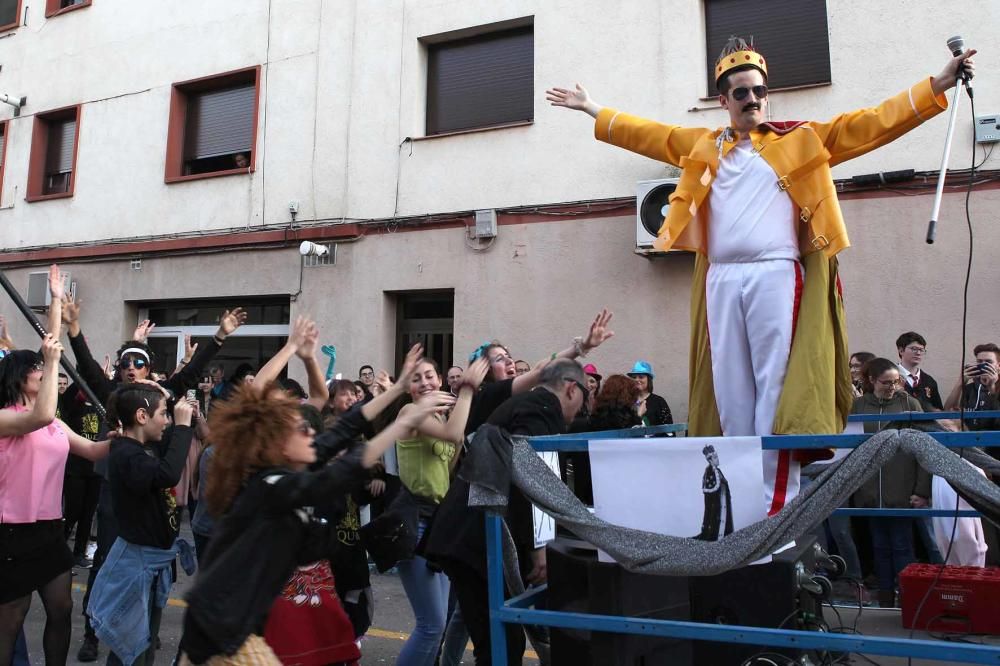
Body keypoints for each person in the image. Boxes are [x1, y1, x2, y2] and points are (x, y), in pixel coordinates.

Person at [547, 38, 975, 515]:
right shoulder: (705, 145)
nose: (753, 100)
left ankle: (776, 504)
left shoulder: (801, 138)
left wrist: (937, 83)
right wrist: (591, 107)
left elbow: (870, 124)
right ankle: (738, 499)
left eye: (759, 91)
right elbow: (649, 134)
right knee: (730, 390)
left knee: (775, 384)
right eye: (741, 93)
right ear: (724, 100)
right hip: (721, 277)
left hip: (777, 273)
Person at [177, 357, 453, 664]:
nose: (312, 433)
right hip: (219, 638)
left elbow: (342, 430)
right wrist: (402, 424)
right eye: (302, 429)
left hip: (239, 632)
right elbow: (338, 474)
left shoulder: (285, 471)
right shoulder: (270, 486)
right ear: (277, 445)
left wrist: (397, 388)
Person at [424, 359, 589, 665]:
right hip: (474, 536)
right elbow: (533, 471)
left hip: (473, 535)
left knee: (499, 639)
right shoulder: (542, 407)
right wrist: (540, 547)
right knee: (501, 644)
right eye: (584, 396)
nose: (581, 408)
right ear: (571, 389)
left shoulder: (530, 404)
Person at [0, 266, 111, 666]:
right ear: (17, 377)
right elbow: (42, 412)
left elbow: (93, 453)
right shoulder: (6, 418)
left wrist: (56, 302)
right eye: (37, 368)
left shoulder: (55, 421)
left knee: (61, 609)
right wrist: (51, 353)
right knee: (11, 619)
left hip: (49, 529)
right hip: (10, 532)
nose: (45, 371)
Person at [86, 384, 196, 666]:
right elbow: (169, 473)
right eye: (163, 414)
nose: (168, 421)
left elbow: (169, 451)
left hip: (152, 563)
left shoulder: (140, 448)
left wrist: (169, 399)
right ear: (142, 416)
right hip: (136, 566)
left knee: (144, 641)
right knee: (129, 649)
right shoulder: (127, 454)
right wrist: (183, 427)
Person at [392, 357, 488, 665]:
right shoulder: (410, 411)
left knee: (438, 624)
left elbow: (448, 463)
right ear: (409, 389)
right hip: (416, 523)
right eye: (417, 378)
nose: (425, 382)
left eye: (430, 376)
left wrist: (454, 421)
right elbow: (451, 435)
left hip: (437, 524)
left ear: (439, 380)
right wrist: (468, 389)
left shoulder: (439, 417)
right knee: (431, 626)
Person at [850, 357, 930, 608]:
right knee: (879, 547)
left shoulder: (910, 404)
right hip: (871, 492)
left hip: (902, 491)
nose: (892, 386)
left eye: (896, 381)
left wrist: (922, 491)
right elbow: (849, 448)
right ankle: (885, 599)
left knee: (902, 546)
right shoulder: (859, 407)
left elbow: (926, 451)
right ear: (871, 380)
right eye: (886, 382)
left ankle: (909, 600)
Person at [944, 343, 1000, 431]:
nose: (983, 365)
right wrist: (961, 382)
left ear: (998, 366)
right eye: (979, 362)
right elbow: (948, 412)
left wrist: (991, 387)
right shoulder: (970, 389)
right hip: (969, 439)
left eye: (989, 362)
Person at [896, 332, 943, 411]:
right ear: (901, 351)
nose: (918, 353)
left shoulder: (929, 381)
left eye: (921, 350)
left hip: (926, 423)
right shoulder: (890, 377)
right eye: (914, 349)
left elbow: (938, 410)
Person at [696, 445, 733, 542]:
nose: (718, 459)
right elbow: (710, 496)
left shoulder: (718, 471)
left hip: (723, 506)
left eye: (717, 457)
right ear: (710, 460)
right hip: (716, 510)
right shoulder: (709, 472)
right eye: (715, 458)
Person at [627, 361, 672, 426]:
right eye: (634, 377)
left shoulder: (659, 402)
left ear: (649, 379)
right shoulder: (627, 401)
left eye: (641, 377)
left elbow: (668, 429)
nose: (637, 380)